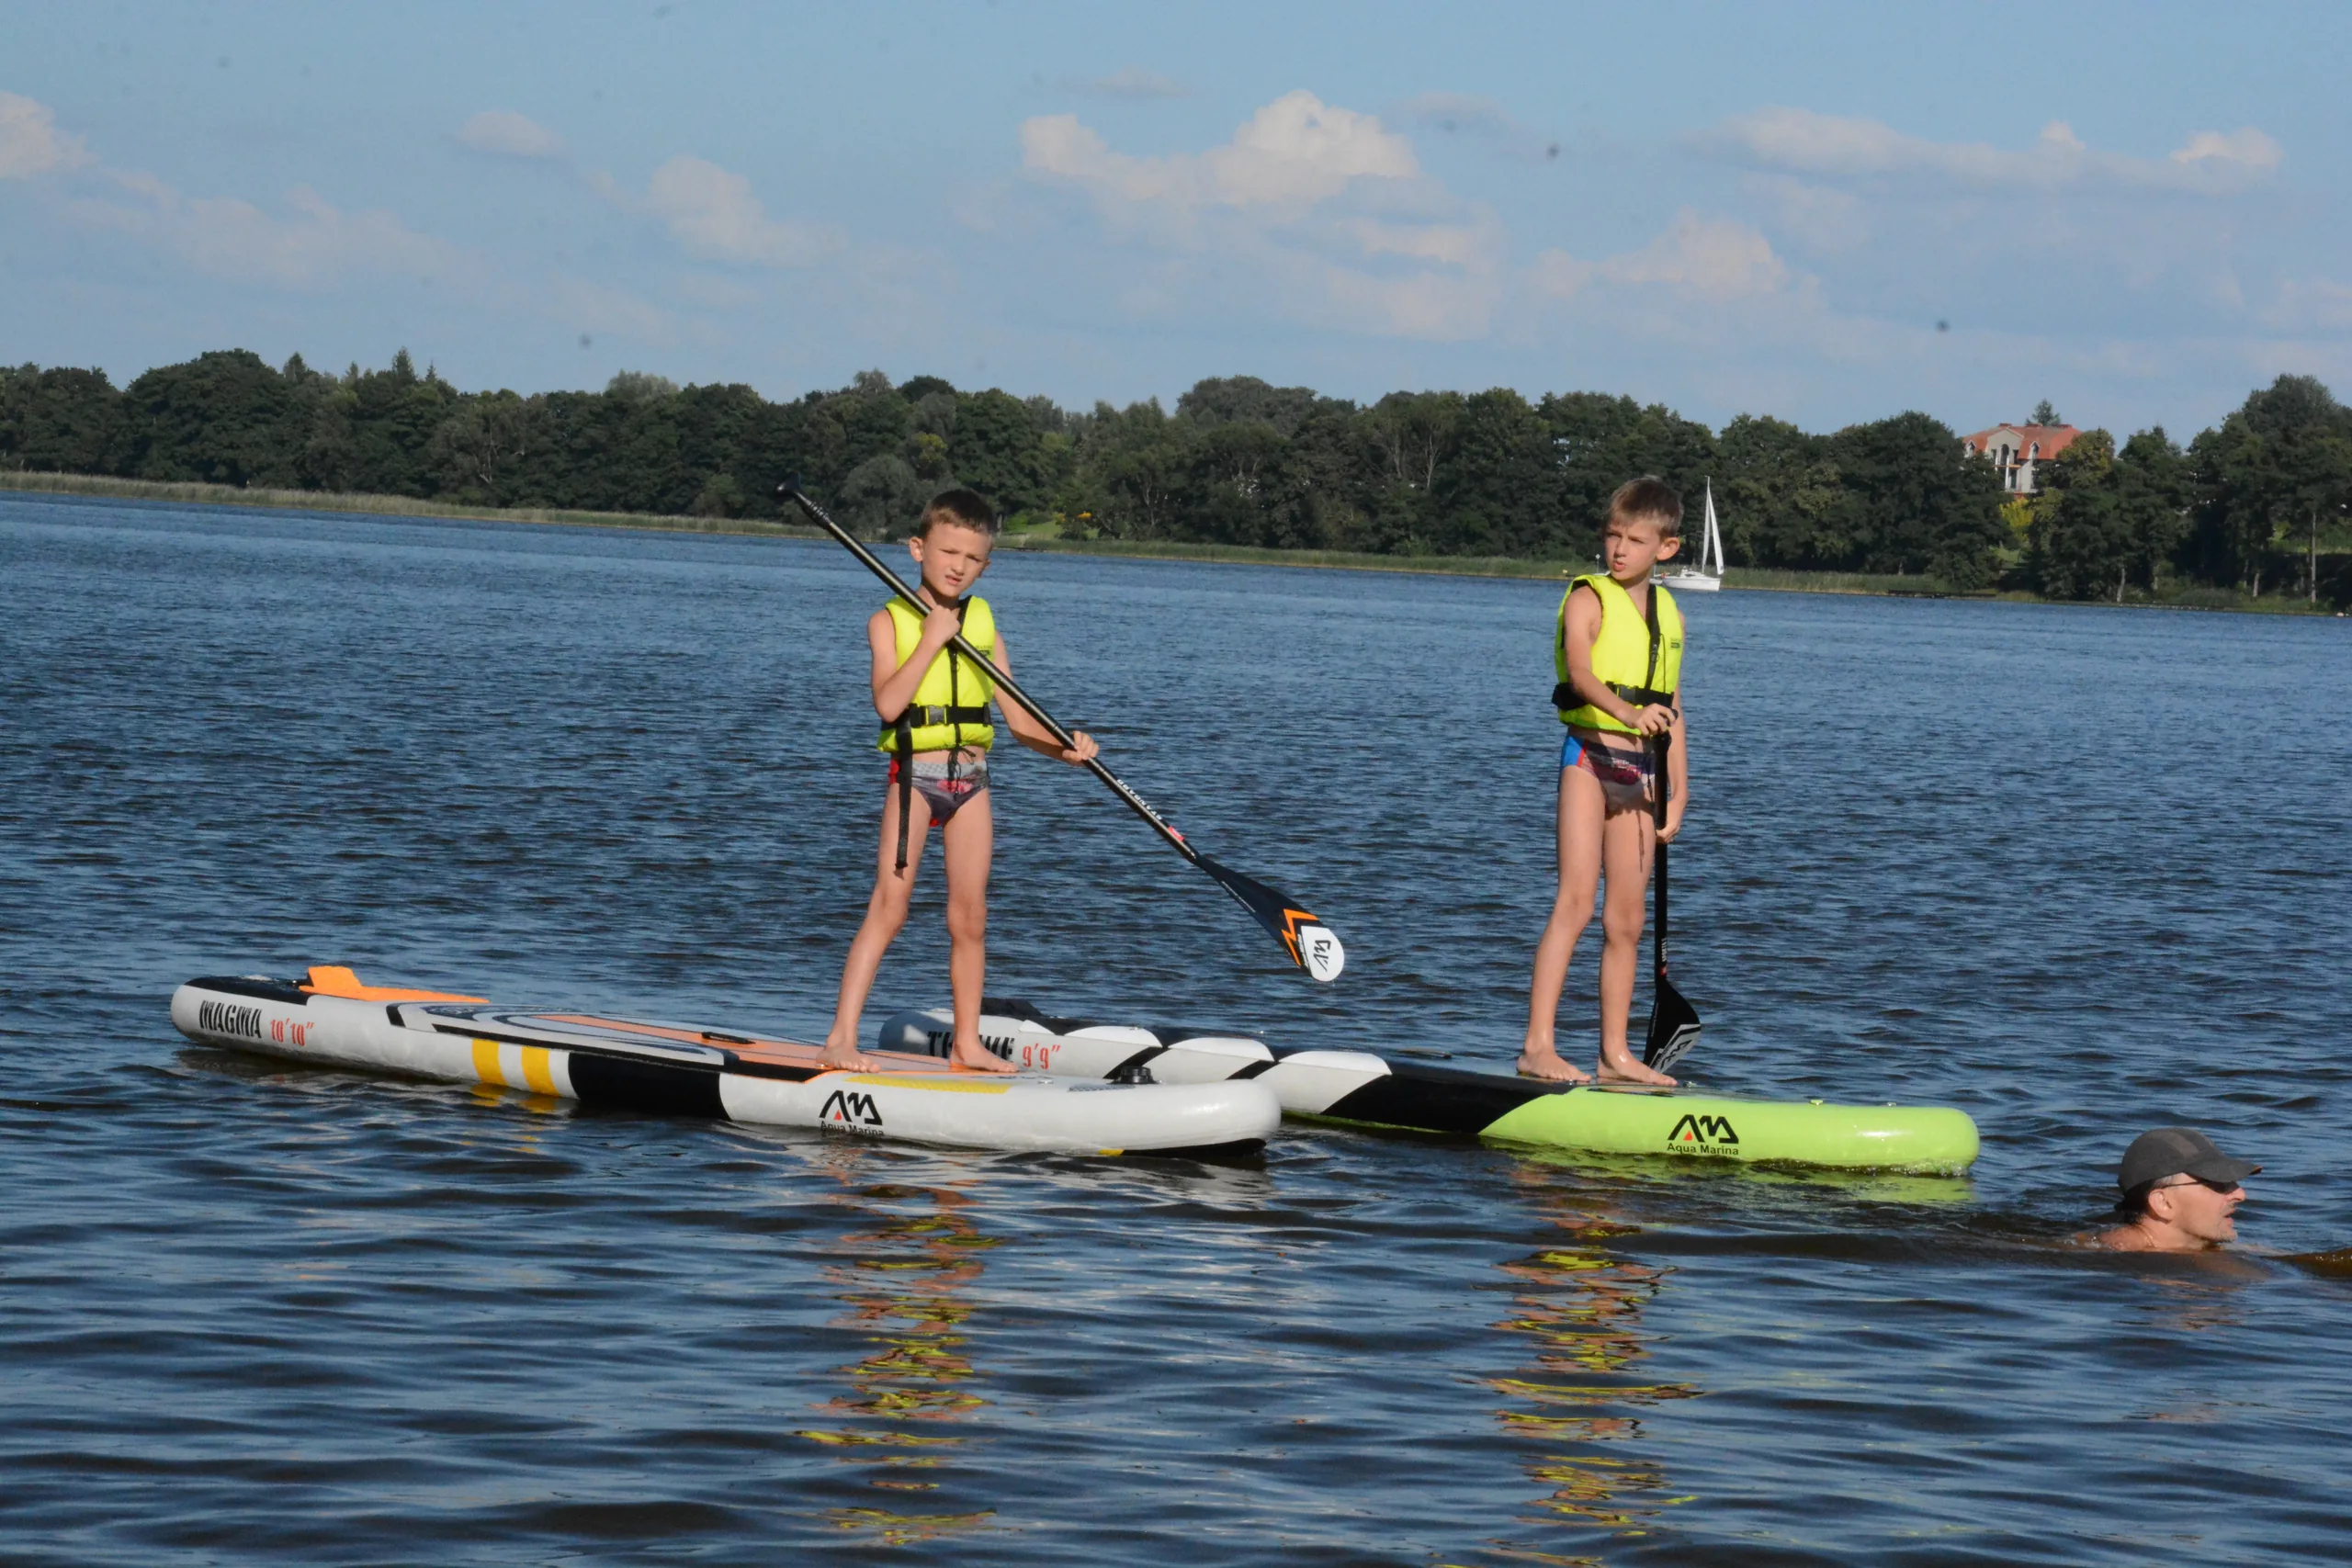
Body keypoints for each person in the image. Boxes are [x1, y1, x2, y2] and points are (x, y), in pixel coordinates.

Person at [819, 488, 1098, 1072]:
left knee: (969, 917)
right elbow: (890, 706)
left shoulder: (985, 623)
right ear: (918, 549)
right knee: (889, 908)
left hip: (972, 781)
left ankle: (967, 1044)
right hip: (914, 781)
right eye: (947, 552)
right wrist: (931, 640)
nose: (957, 567)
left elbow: (1020, 724)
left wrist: (1064, 750)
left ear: (985, 565)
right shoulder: (888, 621)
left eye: (971, 559)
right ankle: (841, 1039)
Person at [1520, 477, 1688, 1086]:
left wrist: (1680, 784)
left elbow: (1669, 704)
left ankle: (1614, 1056)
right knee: (1576, 902)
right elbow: (1586, 676)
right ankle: (1538, 1045)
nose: (1619, 549)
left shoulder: (1669, 614)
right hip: (1589, 760)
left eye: (1635, 539)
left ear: (1664, 549)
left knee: (1627, 922)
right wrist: (1626, 716)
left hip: (1642, 776)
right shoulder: (1589, 597)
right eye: (1612, 535)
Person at [2098, 1127, 2259, 1253]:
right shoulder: (2119, 1253)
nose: (2240, 1195)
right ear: (2163, 1203)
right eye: (2217, 1183)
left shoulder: (2201, 1248)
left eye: (2232, 1182)